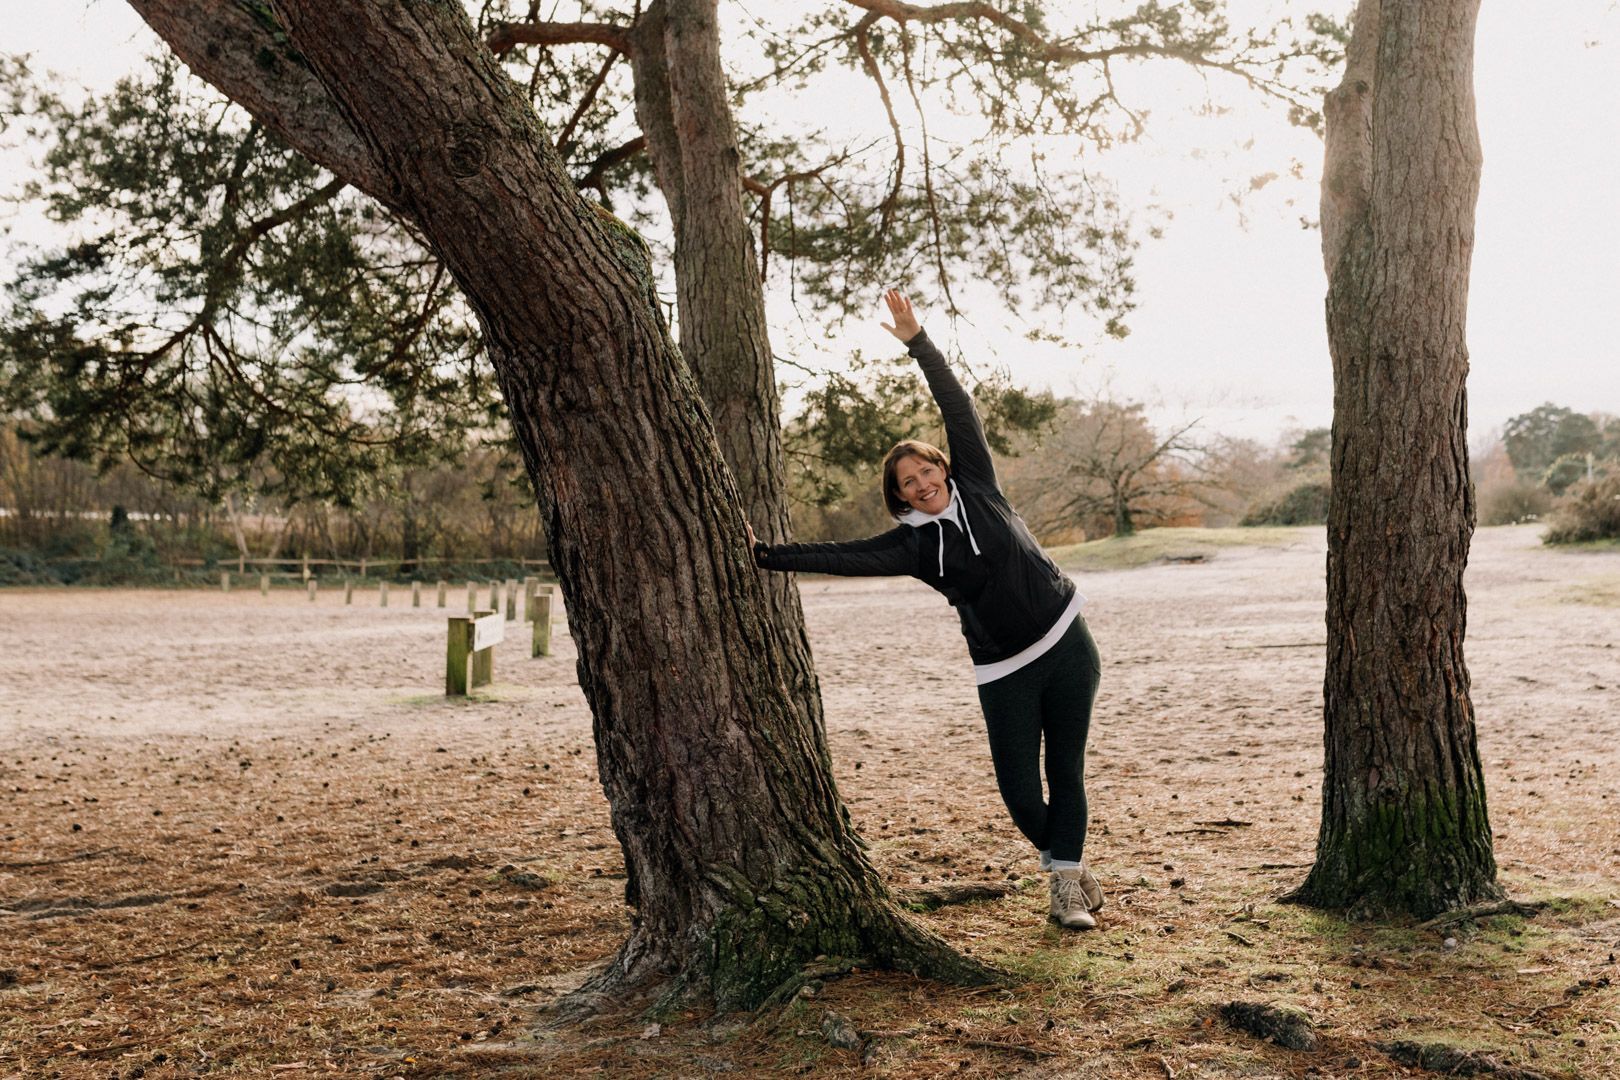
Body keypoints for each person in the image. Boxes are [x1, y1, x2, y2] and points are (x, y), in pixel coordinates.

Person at [748, 289, 1105, 930]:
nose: (921, 483)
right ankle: (1069, 863)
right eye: (907, 482)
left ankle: (1065, 885)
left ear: (943, 466)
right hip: (1004, 670)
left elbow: (956, 405)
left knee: (1067, 771)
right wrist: (768, 556)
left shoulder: (980, 486)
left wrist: (918, 342)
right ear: (899, 497)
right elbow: (844, 556)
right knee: (1021, 791)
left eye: (925, 470)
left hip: (1066, 641)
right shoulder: (913, 546)